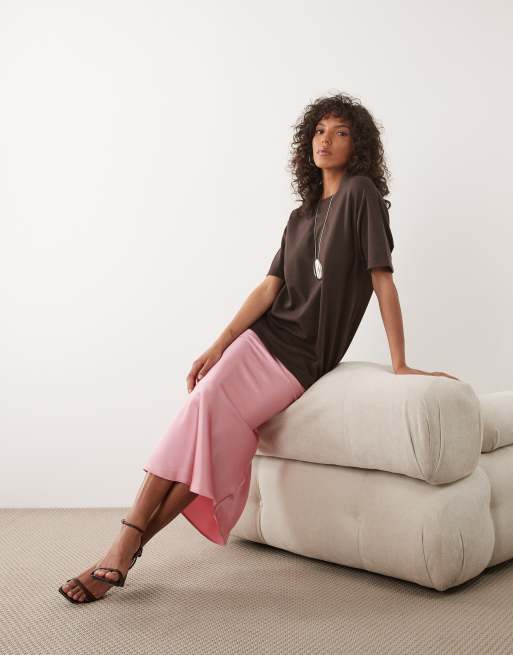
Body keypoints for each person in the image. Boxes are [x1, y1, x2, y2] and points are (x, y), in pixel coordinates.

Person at [59, 92, 459, 603]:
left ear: (357, 145)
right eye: (318, 131)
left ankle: (124, 544)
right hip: (261, 339)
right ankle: (125, 546)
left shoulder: (362, 196)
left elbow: (382, 280)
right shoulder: (300, 216)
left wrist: (400, 363)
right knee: (202, 422)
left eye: (339, 132)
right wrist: (218, 345)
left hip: (300, 358)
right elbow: (270, 288)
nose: (325, 140)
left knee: (203, 423)